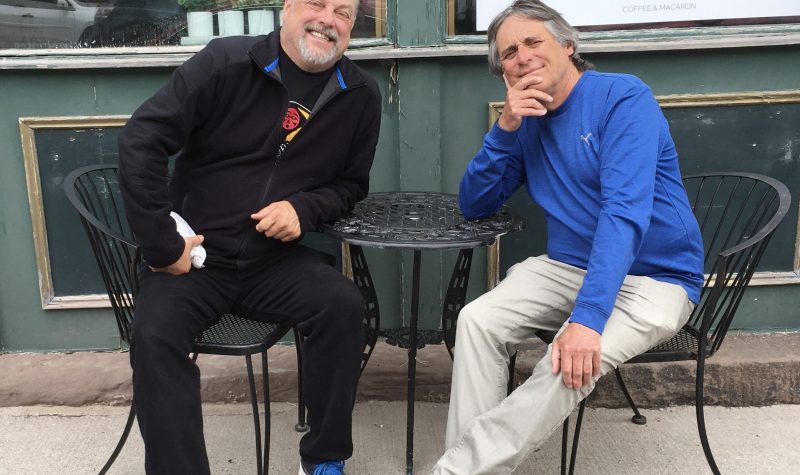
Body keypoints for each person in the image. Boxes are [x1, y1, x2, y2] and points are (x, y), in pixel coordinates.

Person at [431, 1, 704, 473]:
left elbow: (623, 214)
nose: (522, 57)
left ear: (568, 45)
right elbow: (475, 204)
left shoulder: (623, 98)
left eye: (533, 41)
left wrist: (588, 320)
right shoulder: (525, 119)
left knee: (565, 361)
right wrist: (505, 127)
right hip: (568, 267)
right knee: (476, 320)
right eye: (509, 53)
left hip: (658, 279)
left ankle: (456, 470)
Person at [117, 0, 381, 473]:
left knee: (342, 305)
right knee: (155, 336)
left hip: (273, 261)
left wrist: (304, 208)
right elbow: (142, 139)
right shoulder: (225, 62)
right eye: (316, 3)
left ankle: (324, 459)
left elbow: (351, 185)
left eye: (343, 12)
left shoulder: (360, 94)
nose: (328, 19)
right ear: (287, 8)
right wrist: (163, 245)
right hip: (194, 257)